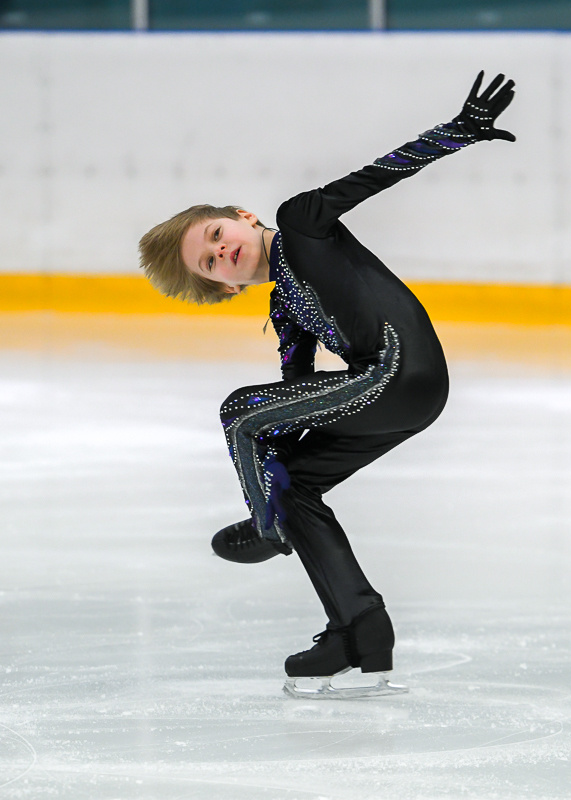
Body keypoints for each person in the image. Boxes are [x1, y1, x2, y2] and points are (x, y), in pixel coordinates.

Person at [139, 71, 516, 697]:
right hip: (395, 394)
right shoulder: (284, 306)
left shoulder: (301, 222)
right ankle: (357, 629)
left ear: (240, 216)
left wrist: (457, 133)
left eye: (214, 236)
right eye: (208, 264)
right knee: (291, 482)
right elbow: (298, 389)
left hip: (400, 374)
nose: (220, 252)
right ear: (225, 289)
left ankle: (267, 534)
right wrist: (276, 475)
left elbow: (374, 176)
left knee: (241, 412)